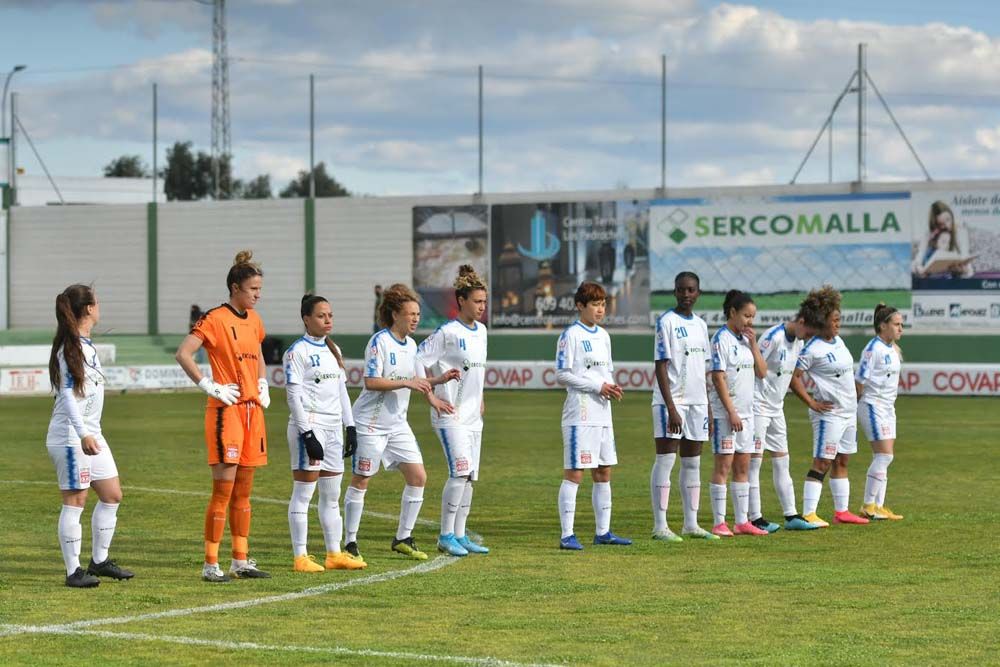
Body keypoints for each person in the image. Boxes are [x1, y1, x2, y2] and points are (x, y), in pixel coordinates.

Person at [175, 250, 272, 583]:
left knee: (244, 493)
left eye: (259, 289)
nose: (258, 295)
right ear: (235, 288)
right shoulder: (215, 318)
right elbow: (183, 353)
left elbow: (257, 353)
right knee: (223, 491)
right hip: (226, 412)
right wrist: (208, 385)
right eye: (253, 290)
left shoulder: (255, 320)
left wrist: (262, 381)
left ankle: (240, 560)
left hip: (251, 412)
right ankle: (210, 564)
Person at [345, 283, 457, 562]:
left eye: (418, 313)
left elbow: (417, 381)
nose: (416, 318)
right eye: (411, 314)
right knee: (362, 479)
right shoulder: (379, 342)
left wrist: (436, 385)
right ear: (395, 314)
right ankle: (349, 542)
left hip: (396, 424)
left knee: (418, 477)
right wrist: (406, 382)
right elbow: (371, 382)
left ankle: (403, 538)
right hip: (370, 423)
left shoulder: (412, 346)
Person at [47, 284, 134, 588]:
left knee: (112, 495)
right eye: (97, 302)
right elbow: (68, 397)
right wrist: (82, 433)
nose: (100, 306)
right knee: (76, 500)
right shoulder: (70, 348)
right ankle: (73, 571)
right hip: (72, 436)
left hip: (91, 433)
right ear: (88, 309)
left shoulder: (85, 345)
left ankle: (99, 561)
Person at [285, 294, 367, 573]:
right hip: (310, 425)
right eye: (321, 315)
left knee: (331, 496)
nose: (328, 319)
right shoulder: (297, 352)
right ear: (306, 319)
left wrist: (351, 426)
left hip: (334, 429)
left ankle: (334, 553)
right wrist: (307, 434)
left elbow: (342, 392)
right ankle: (301, 557)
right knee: (304, 493)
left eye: (330, 315)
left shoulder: (335, 350)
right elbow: (293, 396)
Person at [415, 265, 491, 557]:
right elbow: (417, 359)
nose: (482, 307)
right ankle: (445, 535)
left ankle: (460, 535)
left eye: (484, 302)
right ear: (461, 301)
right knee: (459, 471)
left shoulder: (482, 331)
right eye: (477, 301)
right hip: (450, 414)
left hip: (473, 416)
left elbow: (477, 370)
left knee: (469, 476)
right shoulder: (447, 332)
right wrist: (431, 396)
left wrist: (480, 396)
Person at [556, 281, 631, 551]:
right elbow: (562, 375)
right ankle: (567, 535)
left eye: (603, 304)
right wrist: (598, 387)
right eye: (595, 304)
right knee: (575, 473)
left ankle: (603, 532)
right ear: (580, 306)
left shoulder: (604, 336)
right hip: (580, 413)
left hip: (602, 413)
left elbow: (605, 373)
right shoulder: (570, 335)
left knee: (603, 471)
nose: (600, 310)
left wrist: (610, 387)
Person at [789, 285, 870, 527]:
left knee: (842, 460)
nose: (838, 323)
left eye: (839, 319)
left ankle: (841, 512)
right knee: (822, 461)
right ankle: (809, 513)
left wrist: (854, 387)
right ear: (822, 321)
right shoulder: (812, 348)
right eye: (834, 319)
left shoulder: (838, 341)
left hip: (848, 412)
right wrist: (812, 402)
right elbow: (793, 378)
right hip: (830, 415)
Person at [650, 271, 717, 542]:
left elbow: (704, 371)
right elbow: (660, 365)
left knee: (693, 463)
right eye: (681, 290)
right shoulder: (665, 321)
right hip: (673, 402)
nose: (686, 295)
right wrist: (671, 407)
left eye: (690, 290)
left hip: (698, 403)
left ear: (698, 292)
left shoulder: (701, 325)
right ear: (675, 292)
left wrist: (709, 408)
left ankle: (691, 524)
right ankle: (660, 525)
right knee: (666, 460)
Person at [750, 312, 822, 531]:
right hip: (758, 406)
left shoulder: (798, 342)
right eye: (808, 332)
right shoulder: (773, 337)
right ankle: (754, 517)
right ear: (801, 321)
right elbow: (754, 368)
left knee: (783, 461)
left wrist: (809, 401)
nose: (808, 337)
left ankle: (791, 516)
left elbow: (791, 377)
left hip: (776, 408)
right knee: (754, 463)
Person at [707, 290, 769, 537]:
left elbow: (762, 372)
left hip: (748, 413)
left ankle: (742, 521)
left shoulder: (746, 341)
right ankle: (719, 522)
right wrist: (731, 412)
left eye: (752, 317)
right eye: (746, 316)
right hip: (727, 414)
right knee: (724, 465)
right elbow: (718, 377)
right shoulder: (721, 339)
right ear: (732, 312)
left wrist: (754, 345)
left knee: (743, 466)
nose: (750, 321)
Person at [856, 303, 905, 521]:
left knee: (885, 456)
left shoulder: (892, 349)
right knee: (884, 455)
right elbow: (859, 382)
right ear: (883, 325)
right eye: (896, 324)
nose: (900, 328)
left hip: (888, 408)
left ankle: (878, 506)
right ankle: (868, 505)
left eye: (901, 324)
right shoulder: (872, 349)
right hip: (872, 405)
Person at [911, 201, 973, 278]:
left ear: (951, 215)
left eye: (948, 219)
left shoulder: (961, 231)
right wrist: (918, 268)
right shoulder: (929, 235)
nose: (947, 225)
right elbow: (918, 260)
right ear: (935, 225)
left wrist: (964, 271)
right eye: (941, 224)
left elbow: (967, 263)